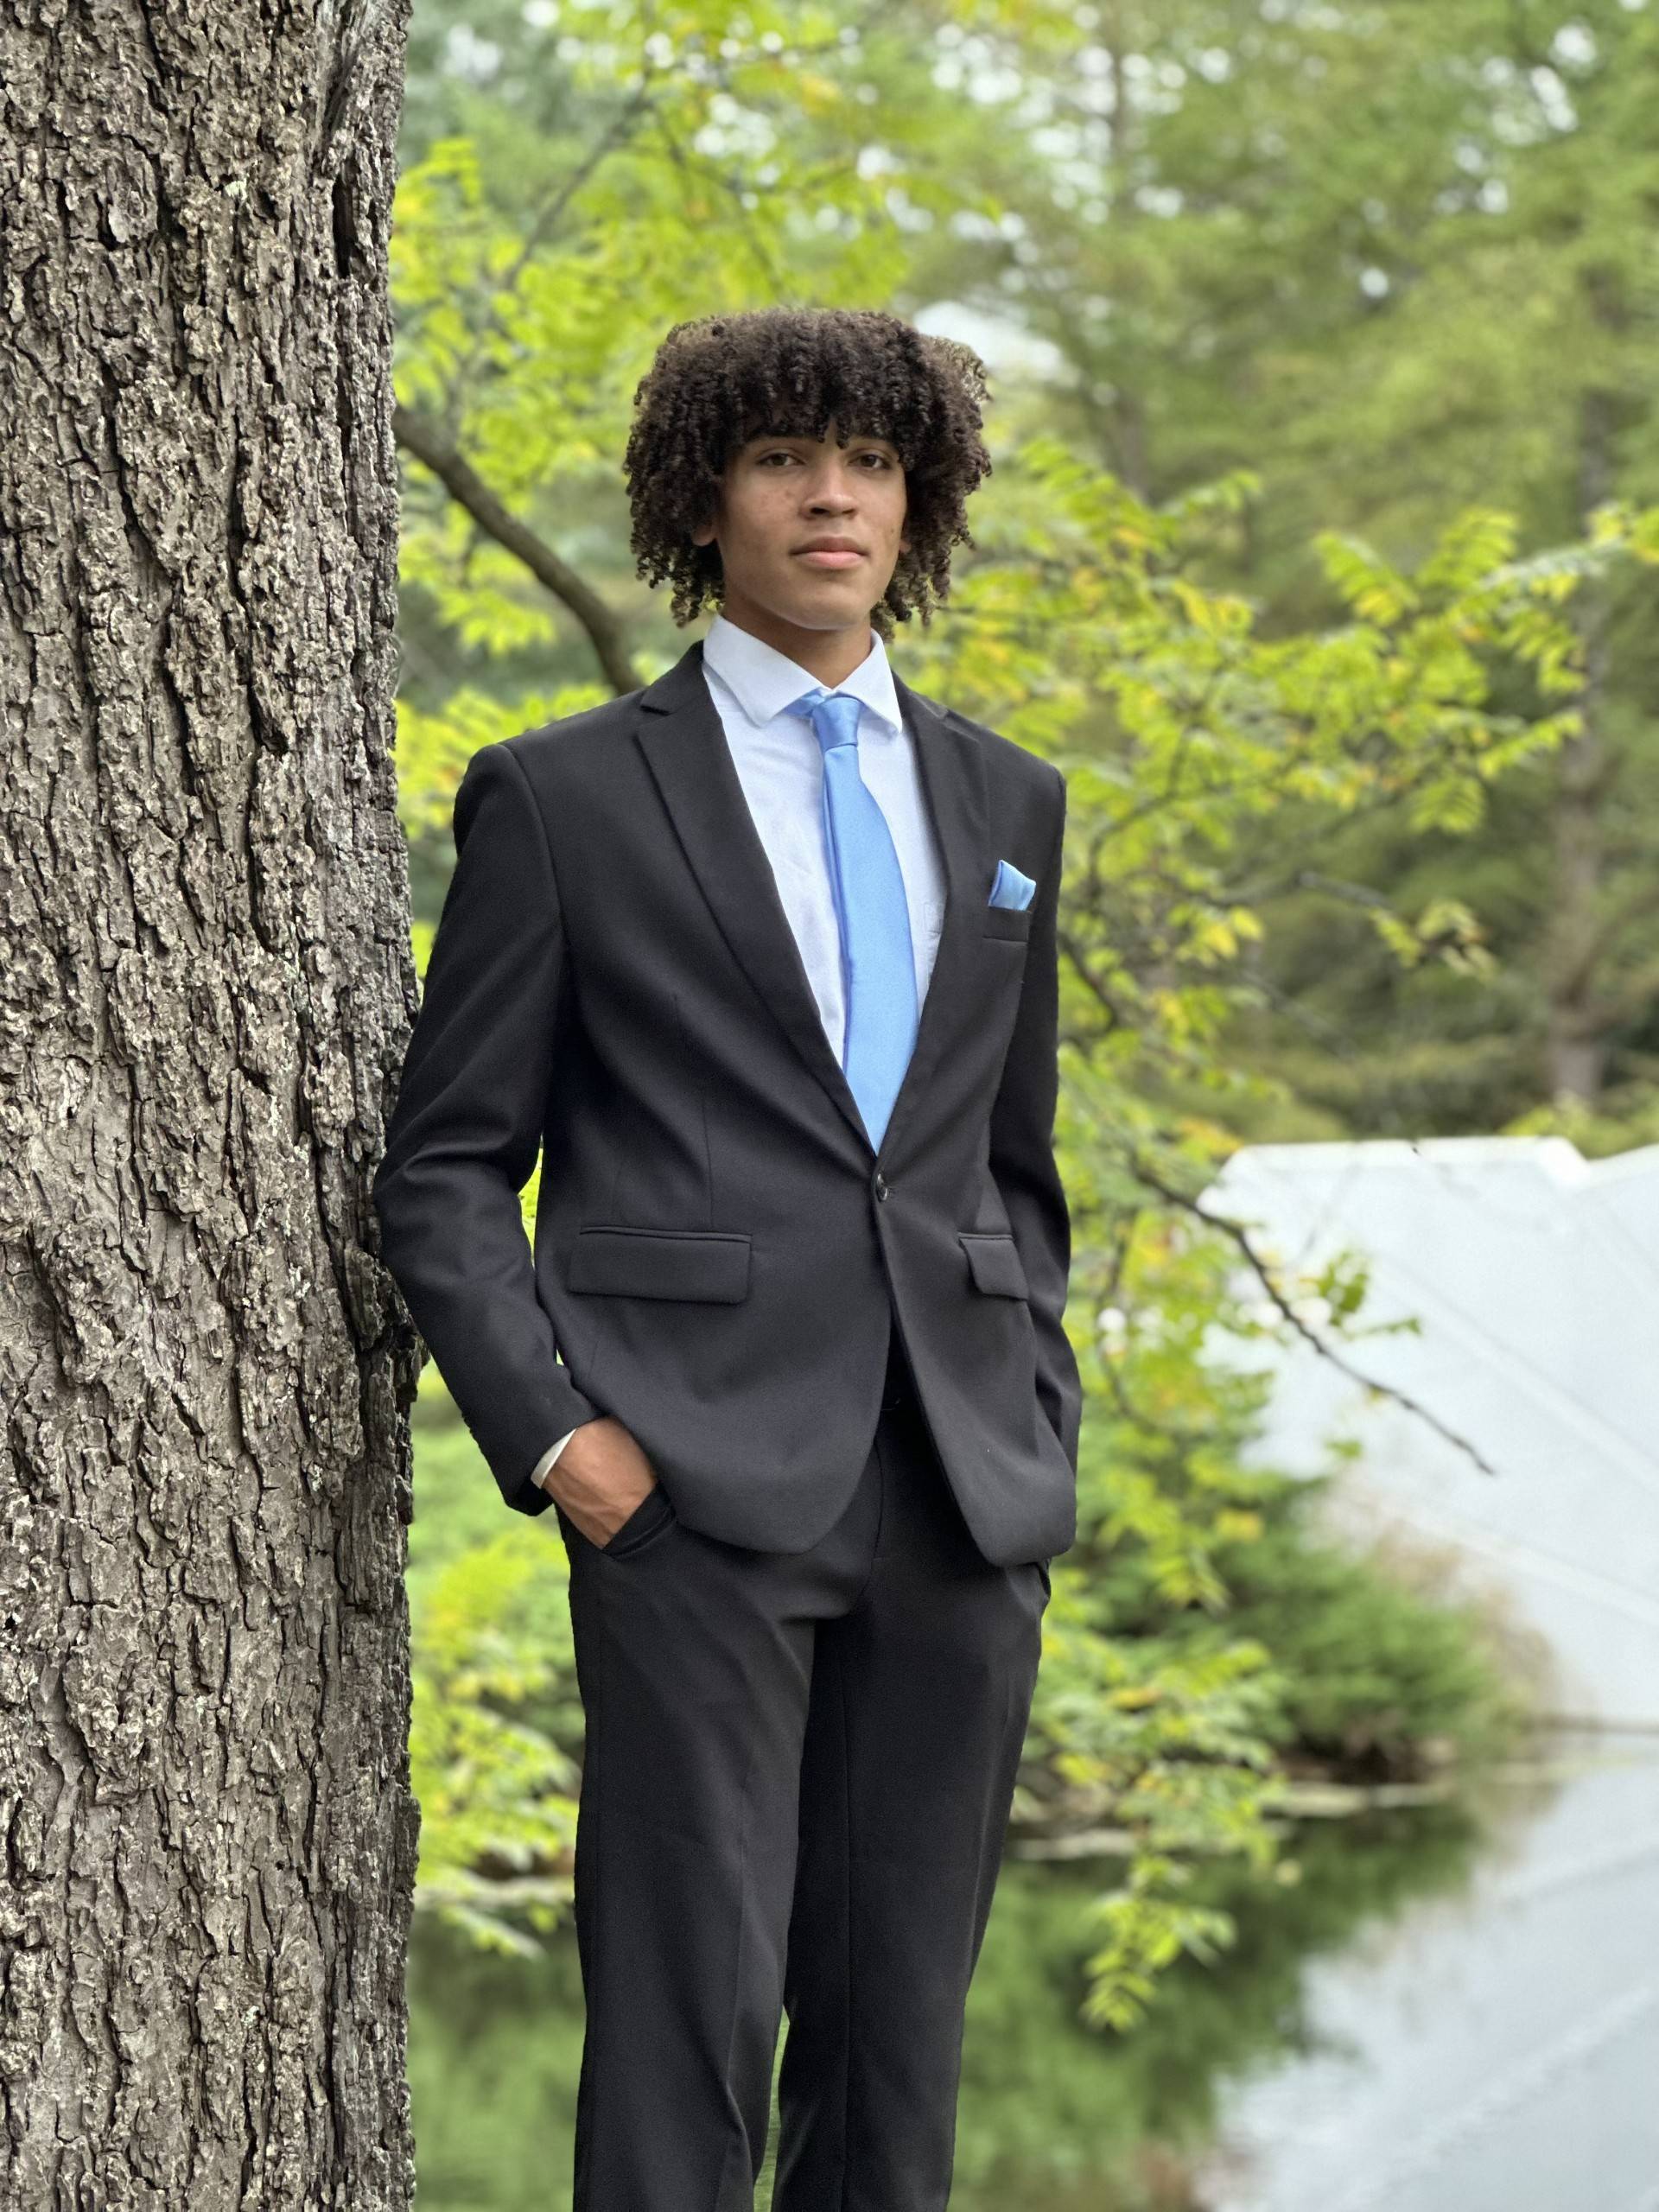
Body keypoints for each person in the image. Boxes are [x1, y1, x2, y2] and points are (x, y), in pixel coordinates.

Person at [372, 302, 1082, 2210]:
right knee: (683, 2038)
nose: (831, 494)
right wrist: (561, 1440)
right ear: (706, 497)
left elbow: (1009, 1165)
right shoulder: (567, 795)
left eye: (869, 460)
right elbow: (447, 1168)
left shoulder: (1010, 804)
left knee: (897, 2055)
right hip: (684, 1488)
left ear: (918, 500)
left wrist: (1036, 1409)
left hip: (962, 1491)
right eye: (781, 458)